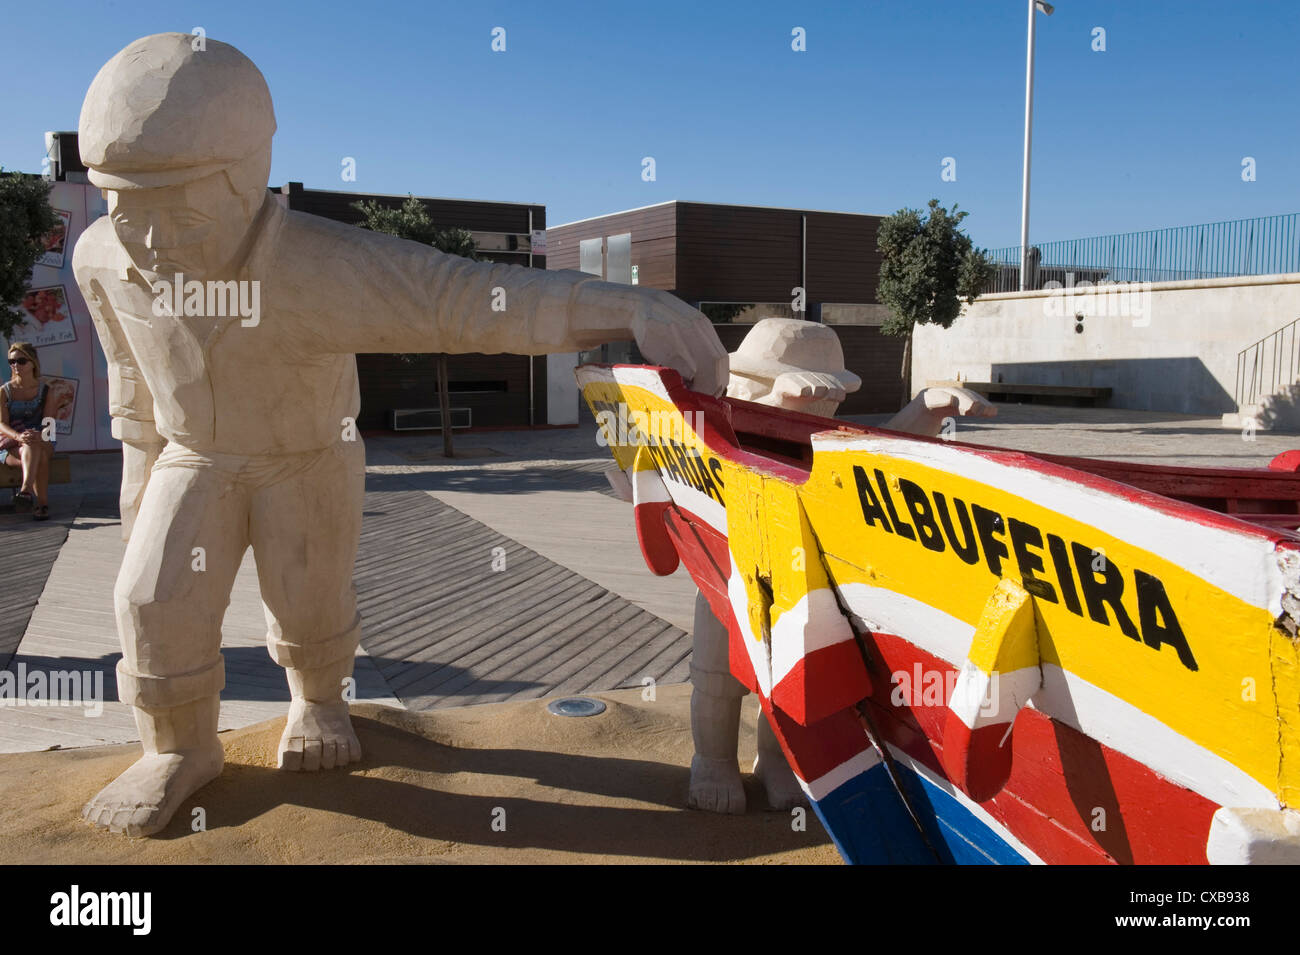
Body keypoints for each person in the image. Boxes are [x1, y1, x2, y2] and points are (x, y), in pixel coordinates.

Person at [72, 32, 727, 838]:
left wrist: (626, 306)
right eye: (120, 203)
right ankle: (177, 748)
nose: (146, 237)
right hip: (192, 454)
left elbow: (468, 295)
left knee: (308, 597)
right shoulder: (99, 259)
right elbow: (133, 399)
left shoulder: (317, 263)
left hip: (307, 456)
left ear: (246, 178)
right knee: (148, 597)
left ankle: (316, 704)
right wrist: (138, 488)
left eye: (175, 209)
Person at [688, 318, 995, 813]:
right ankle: (713, 761)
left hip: (799, 584)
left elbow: (870, 453)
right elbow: (723, 458)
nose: (822, 408)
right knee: (717, 680)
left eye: (828, 400)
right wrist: (778, 413)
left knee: (791, 679)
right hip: (727, 574)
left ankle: (778, 762)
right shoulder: (717, 426)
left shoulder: (830, 436)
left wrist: (925, 411)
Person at [0, 342, 54, 520]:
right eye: (12, 362)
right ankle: (41, 503)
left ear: (32, 363)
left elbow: (50, 427)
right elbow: (1, 424)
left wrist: (38, 435)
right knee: (37, 453)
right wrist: (19, 436)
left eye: (21, 361)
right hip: (11, 442)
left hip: (41, 438)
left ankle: (26, 491)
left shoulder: (46, 390)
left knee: (34, 444)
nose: (16, 365)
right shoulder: (4, 391)